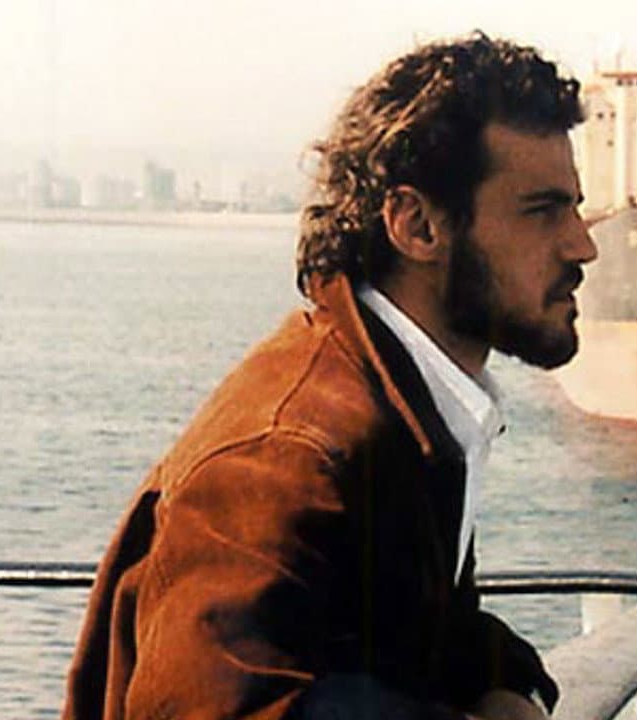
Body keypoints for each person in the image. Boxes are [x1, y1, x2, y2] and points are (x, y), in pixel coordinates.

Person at [62, 32, 597, 720]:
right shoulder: (288, 455)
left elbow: (418, 631)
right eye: (542, 211)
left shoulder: (401, 403)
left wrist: (512, 685)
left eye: (574, 207)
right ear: (416, 226)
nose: (583, 243)